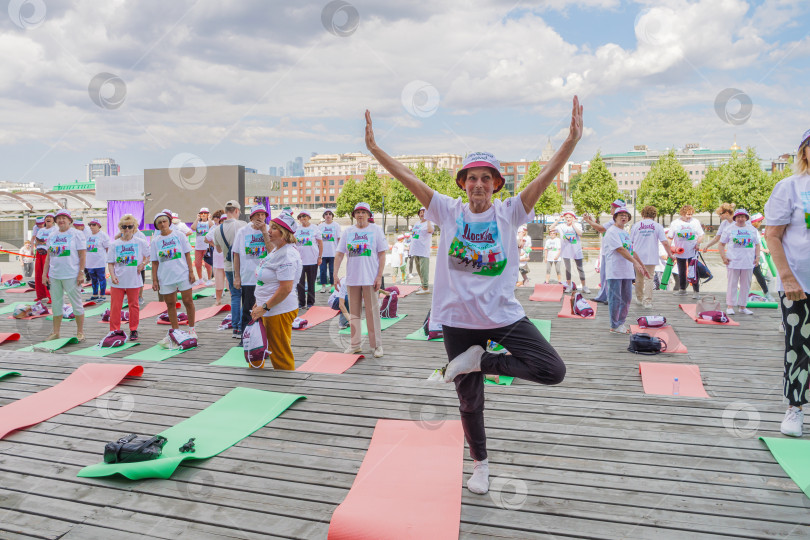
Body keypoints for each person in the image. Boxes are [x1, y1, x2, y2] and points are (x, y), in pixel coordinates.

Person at [362, 97, 580, 494]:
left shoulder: (511, 211)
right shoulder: (447, 211)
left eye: (486, 178)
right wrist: (377, 150)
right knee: (469, 401)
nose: (479, 184)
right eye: (472, 178)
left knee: (553, 370)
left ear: (497, 184)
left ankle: (480, 361)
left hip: (502, 315)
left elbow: (546, 176)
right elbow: (407, 177)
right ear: (462, 184)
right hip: (459, 321)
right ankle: (480, 465)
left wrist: (569, 143)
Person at [764, 128, 810, 437]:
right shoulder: (790, 188)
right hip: (799, 285)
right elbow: (773, 236)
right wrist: (787, 276)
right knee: (799, 346)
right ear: (804, 152)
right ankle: (795, 408)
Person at [249, 212, 303, 370]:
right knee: (258, 349)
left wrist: (264, 307)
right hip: (266, 308)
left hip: (277, 310)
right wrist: (258, 304)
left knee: (280, 355)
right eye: (270, 227)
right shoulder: (276, 250)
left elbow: (285, 288)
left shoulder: (287, 254)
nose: (269, 230)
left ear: (284, 233)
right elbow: (266, 282)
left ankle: (285, 387)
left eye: (274, 228)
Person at [334, 202, 388, 358]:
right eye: (357, 212)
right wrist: (335, 275)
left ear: (369, 215)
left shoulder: (376, 230)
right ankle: (355, 344)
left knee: (373, 313)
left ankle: (376, 345)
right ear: (353, 215)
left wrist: (379, 276)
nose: (360, 215)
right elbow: (339, 254)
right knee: (354, 313)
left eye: (364, 212)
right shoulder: (348, 231)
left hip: (370, 278)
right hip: (352, 278)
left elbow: (382, 254)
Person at [150, 211, 198, 343]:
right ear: (156, 225)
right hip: (165, 276)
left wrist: (191, 271)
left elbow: (188, 254)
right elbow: (154, 262)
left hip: (182, 273)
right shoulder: (155, 241)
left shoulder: (179, 235)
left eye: (164, 221)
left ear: (169, 222)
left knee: (188, 301)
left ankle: (192, 329)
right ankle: (175, 330)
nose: (162, 224)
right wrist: (154, 280)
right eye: (159, 222)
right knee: (170, 303)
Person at [603, 206, 650, 333]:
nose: (623, 217)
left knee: (627, 298)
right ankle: (614, 325)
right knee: (615, 298)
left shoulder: (625, 233)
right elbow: (620, 249)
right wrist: (635, 263)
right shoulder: (612, 231)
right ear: (615, 218)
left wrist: (642, 266)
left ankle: (621, 323)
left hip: (627, 271)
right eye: (620, 215)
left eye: (626, 215)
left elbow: (631, 251)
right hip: (615, 271)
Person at [42, 209, 86, 342]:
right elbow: (49, 257)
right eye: (59, 218)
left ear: (70, 220)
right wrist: (45, 274)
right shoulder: (52, 235)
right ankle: (56, 332)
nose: (61, 220)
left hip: (71, 274)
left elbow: (82, 255)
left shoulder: (77, 234)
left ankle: (80, 332)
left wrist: (81, 273)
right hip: (55, 275)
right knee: (56, 304)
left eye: (64, 218)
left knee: (76, 303)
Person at [233, 205, 274, 339]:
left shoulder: (270, 230)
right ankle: (246, 338)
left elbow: (272, 251)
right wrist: (237, 277)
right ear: (251, 217)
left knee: (265, 310)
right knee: (247, 310)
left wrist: (264, 232)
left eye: (263, 215)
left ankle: (263, 338)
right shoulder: (242, 231)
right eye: (257, 215)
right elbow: (237, 255)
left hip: (266, 278)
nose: (260, 217)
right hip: (248, 277)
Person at [106, 214, 148, 341]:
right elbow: (111, 263)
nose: (127, 229)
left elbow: (149, 255)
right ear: (120, 228)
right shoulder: (115, 244)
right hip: (118, 280)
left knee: (133, 305)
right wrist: (112, 276)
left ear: (134, 228)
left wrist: (143, 264)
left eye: (130, 226)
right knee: (115, 306)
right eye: (124, 227)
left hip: (133, 280)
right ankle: (114, 330)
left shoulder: (140, 242)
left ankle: (133, 329)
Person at [212, 200, 248, 338]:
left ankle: (235, 328)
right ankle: (243, 326)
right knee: (246, 296)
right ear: (237, 211)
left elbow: (219, 250)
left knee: (234, 296)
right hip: (243, 266)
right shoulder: (242, 225)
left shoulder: (217, 229)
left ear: (226, 212)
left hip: (228, 265)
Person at [629, 206, 673, 308]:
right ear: (654, 214)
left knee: (639, 278)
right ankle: (647, 301)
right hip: (651, 255)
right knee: (649, 278)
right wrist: (670, 254)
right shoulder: (657, 226)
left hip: (637, 255)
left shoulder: (636, 225)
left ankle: (639, 298)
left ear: (643, 214)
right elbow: (665, 242)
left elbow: (630, 242)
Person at [719, 208, 759, 315]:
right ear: (735, 218)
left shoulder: (752, 229)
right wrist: (723, 257)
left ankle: (743, 306)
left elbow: (757, 244)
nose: (740, 219)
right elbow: (721, 244)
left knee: (746, 284)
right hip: (733, 261)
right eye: (738, 217)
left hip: (748, 261)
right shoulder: (729, 229)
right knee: (732, 284)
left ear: (746, 218)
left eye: (743, 217)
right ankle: (730, 306)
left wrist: (757, 257)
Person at [583, 199, 625, 303]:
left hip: (610, 252)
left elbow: (601, 229)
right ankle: (604, 295)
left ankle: (607, 296)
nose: (611, 209)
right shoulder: (615, 221)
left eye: (613, 207)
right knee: (605, 276)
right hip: (608, 251)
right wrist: (591, 221)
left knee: (608, 276)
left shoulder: (614, 221)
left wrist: (588, 221)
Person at [667, 205, 704, 299]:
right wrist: (669, 251)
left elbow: (701, 235)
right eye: (688, 214)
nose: (689, 216)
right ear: (683, 214)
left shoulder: (695, 222)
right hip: (680, 251)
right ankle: (682, 289)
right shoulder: (675, 223)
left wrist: (698, 244)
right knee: (681, 271)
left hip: (692, 251)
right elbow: (670, 237)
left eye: (691, 214)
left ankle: (696, 291)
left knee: (693, 271)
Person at [552, 211, 589, 293]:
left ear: (573, 218)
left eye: (570, 217)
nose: (568, 219)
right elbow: (551, 228)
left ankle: (584, 286)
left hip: (576, 250)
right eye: (567, 217)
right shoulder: (561, 226)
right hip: (566, 251)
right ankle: (568, 286)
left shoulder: (578, 225)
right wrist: (558, 220)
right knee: (568, 269)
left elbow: (580, 234)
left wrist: (574, 225)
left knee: (580, 268)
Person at [294, 211, 323, 310]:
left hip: (312, 260)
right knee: (300, 283)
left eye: (304, 216)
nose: (302, 218)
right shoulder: (297, 229)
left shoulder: (315, 228)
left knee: (311, 282)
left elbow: (320, 243)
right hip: (300, 261)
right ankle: (301, 303)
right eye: (300, 217)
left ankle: (310, 302)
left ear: (309, 217)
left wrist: (320, 257)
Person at [749, 213, 775, 301]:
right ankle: (766, 294)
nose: (761, 223)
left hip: (754, 258)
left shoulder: (754, 230)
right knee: (760, 277)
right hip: (752, 258)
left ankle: (766, 293)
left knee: (759, 277)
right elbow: (756, 245)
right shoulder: (752, 230)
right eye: (760, 221)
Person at [409, 206, 434, 293]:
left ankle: (426, 287)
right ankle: (423, 285)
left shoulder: (429, 223)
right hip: (415, 250)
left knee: (424, 269)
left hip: (423, 250)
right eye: (420, 212)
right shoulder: (417, 223)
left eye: (424, 212)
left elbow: (430, 230)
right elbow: (414, 236)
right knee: (418, 269)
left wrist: (429, 220)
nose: (422, 214)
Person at [205, 210, 227, 306]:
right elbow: (206, 239)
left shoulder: (234, 230)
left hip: (230, 260)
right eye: (223, 221)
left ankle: (235, 302)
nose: (225, 223)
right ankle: (218, 300)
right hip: (218, 259)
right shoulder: (215, 230)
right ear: (220, 222)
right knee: (218, 280)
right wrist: (214, 244)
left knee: (231, 283)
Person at [85, 218, 110, 302]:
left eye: (94, 225)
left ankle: (102, 295)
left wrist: (107, 259)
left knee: (101, 279)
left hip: (100, 262)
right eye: (90, 225)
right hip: (90, 263)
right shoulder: (88, 235)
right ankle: (95, 295)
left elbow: (108, 248)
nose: (91, 226)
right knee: (93, 279)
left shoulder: (103, 235)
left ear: (99, 226)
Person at [318, 209, 341, 293]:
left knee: (332, 270)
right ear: (324, 216)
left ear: (332, 216)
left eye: (330, 214)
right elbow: (317, 239)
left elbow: (339, 239)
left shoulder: (336, 225)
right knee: (322, 270)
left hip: (333, 252)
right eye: (326, 214)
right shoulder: (320, 226)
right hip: (323, 253)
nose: (328, 215)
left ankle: (332, 286)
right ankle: (323, 286)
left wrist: (340, 251)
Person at [34, 213, 55, 303]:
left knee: (47, 275)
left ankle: (51, 296)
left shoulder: (55, 229)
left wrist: (44, 242)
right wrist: (38, 242)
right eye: (47, 217)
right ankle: (41, 295)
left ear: (54, 220)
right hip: (39, 253)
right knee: (38, 274)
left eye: (50, 217)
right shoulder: (41, 230)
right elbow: (36, 241)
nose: (48, 219)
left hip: (48, 253)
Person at [191, 207, 214, 285]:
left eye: (205, 213)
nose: (203, 215)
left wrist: (209, 218)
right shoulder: (198, 223)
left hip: (207, 247)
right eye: (202, 213)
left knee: (207, 264)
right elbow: (193, 228)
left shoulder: (210, 222)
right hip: (198, 246)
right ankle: (200, 279)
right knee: (197, 264)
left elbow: (212, 226)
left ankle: (209, 279)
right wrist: (197, 219)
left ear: (208, 214)